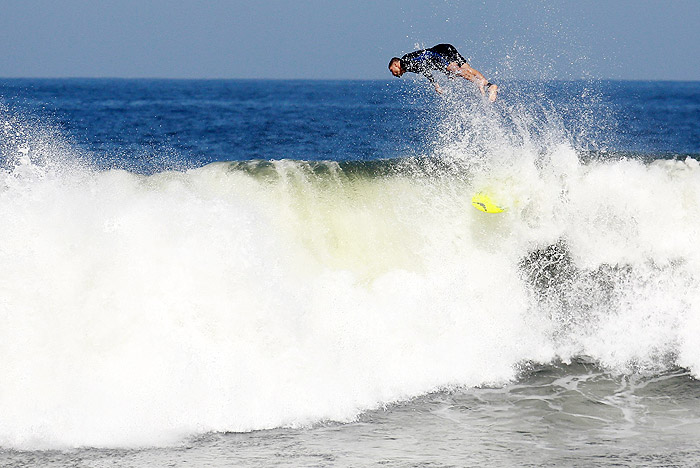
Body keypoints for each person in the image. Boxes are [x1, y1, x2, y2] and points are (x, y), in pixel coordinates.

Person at [388, 44, 498, 101]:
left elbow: (428, 54)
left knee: (457, 71)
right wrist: (436, 85)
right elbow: (425, 70)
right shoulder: (409, 66)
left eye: (393, 71)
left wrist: (445, 65)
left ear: (396, 65)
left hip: (441, 52)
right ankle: (490, 86)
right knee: (467, 69)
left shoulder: (405, 62)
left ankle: (479, 83)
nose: (394, 74)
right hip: (444, 49)